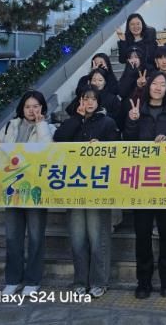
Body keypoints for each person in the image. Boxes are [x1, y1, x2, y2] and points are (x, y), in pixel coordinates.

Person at [0, 90, 54, 296]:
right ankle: (13, 279)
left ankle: (33, 280)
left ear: (42, 107)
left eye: (36, 106)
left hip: (36, 190)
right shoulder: (10, 126)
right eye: (28, 106)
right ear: (22, 108)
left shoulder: (49, 127)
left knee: (36, 237)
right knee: (12, 237)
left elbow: (48, 151)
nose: (32, 110)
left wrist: (41, 125)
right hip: (11, 189)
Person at [53, 85, 120, 298]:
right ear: (79, 101)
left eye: (93, 99)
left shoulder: (107, 122)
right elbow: (58, 139)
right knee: (77, 238)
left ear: (98, 102)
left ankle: (99, 281)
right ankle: (80, 280)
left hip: (98, 189)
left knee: (98, 237)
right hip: (73, 187)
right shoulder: (72, 121)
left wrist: (102, 145)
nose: (89, 102)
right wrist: (77, 118)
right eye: (85, 98)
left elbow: (118, 150)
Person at [124, 72, 166, 299]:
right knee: (142, 234)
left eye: (163, 84)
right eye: (155, 84)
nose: (158, 87)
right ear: (148, 87)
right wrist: (132, 121)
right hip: (141, 181)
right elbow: (128, 143)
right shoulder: (138, 111)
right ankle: (144, 282)